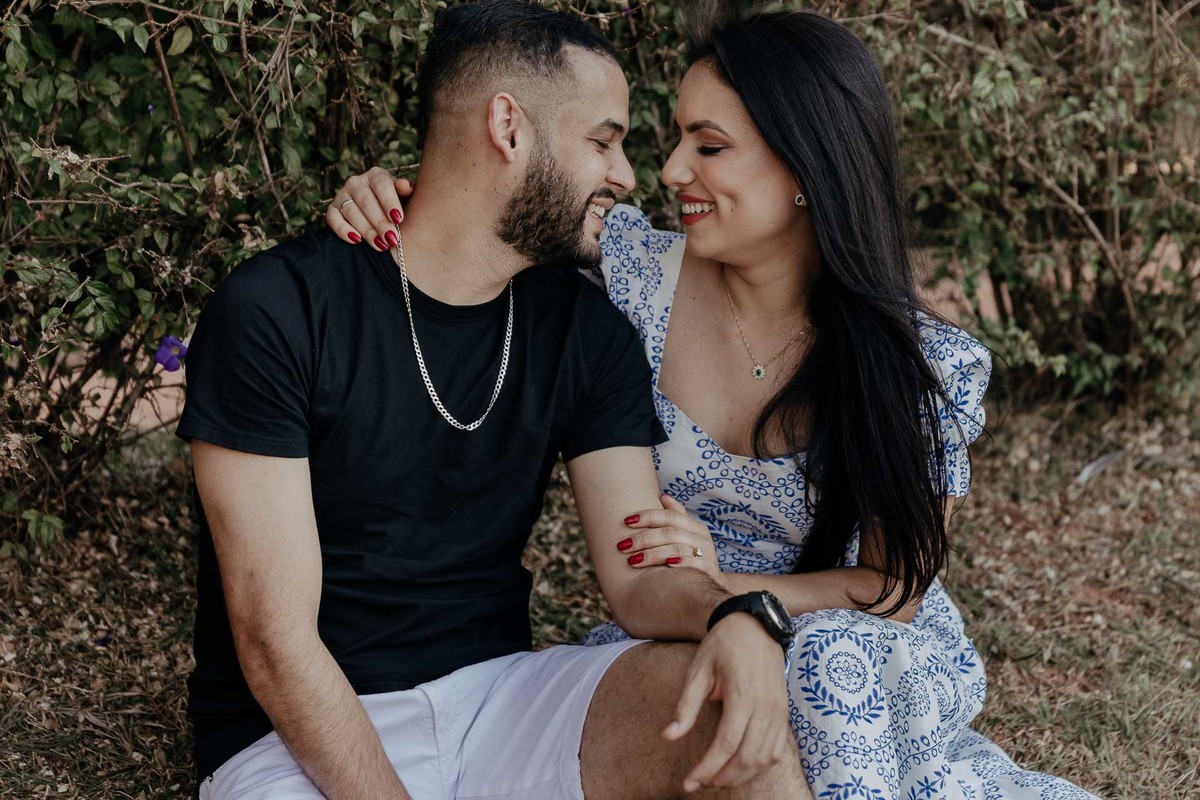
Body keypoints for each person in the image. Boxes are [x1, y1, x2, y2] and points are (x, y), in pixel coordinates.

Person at [327, 6, 1103, 800]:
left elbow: (893, 586)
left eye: (708, 146)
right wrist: (392, 195)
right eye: (676, 140)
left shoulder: (920, 364)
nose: (669, 171)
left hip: (862, 652)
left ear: (804, 168)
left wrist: (737, 594)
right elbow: (495, 213)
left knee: (824, 661)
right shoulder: (628, 278)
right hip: (683, 626)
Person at [177, 2, 812, 799]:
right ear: (508, 127)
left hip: (501, 699)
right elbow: (276, 644)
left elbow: (637, 578)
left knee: (725, 715)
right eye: (603, 141)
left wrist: (735, 615)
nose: (626, 176)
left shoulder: (584, 330)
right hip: (294, 738)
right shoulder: (278, 312)